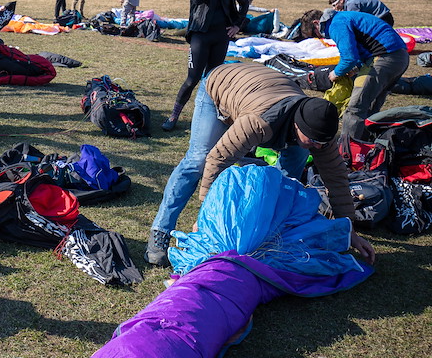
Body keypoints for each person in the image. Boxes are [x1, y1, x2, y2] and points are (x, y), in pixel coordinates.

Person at [145, 62, 376, 267]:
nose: (317, 147)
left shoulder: (318, 131)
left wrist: (350, 230)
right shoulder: (258, 124)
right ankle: (161, 230)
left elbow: (336, 178)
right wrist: (208, 216)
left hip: (261, 87)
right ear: (298, 127)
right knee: (199, 159)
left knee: (288, 176)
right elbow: (218, 161)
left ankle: (267, 228)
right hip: (221, 84)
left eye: (321, 143)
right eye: (313, 142)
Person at [162, 0, 249, 132]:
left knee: (213, 80)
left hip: (221, 36)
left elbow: (244, 3)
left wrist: (237, 25)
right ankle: (174, 115)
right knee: (192, 79)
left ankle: (208, 118)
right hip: (200, 36)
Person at [302, 8, 409, 140]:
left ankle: (348, 149)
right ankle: (365, 142)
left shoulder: (336, 23)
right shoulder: (344, 17)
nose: (320, 37)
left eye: (316, 34)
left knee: (355, 108)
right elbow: (361, 48)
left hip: (384, 57)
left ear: (316, 23)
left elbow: (349, 57)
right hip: (400, 57)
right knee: (371, 105)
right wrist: (357, 67)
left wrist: (336, 73)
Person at [329, 0, 393, 26]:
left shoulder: (351, 4)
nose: (334, 8)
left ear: (341, 0)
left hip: (383, 18)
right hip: (382, 16)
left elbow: (356, 22)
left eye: (334, 5)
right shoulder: (351, 3)